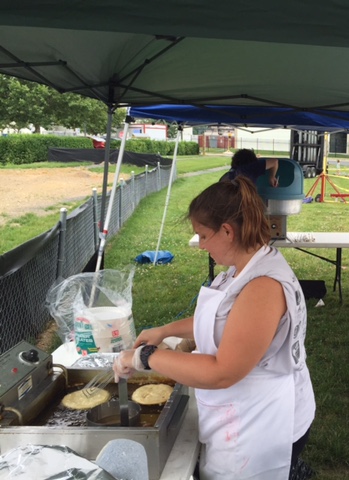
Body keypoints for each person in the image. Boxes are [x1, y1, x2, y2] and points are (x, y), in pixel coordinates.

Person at [113, 177, 315, 479]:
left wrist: (146, 357)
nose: (201, 245)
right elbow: (222, 322)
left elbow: (223, 372)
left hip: (262, 422)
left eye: (204, 235)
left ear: (228, 231)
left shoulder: (263, 287)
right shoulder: (243, 267)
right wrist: (166, 330)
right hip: (242, 410)